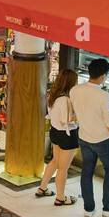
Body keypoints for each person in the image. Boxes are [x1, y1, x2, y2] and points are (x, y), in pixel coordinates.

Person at [70, 57, 109, 217]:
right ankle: (108, 208)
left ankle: (88, 209)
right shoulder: (104, 96)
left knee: (87, 172)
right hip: (103, 140)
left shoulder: (75, 90)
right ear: (104, 76)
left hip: (84, 137)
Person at [36, 68, 80, 206]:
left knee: (55, 161)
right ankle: (60, 198)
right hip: (67, 135)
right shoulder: (66, 100)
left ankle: (42, 188)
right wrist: (80, 115)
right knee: (63, 168)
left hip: (55, 132)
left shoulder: (53, 95)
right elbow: (66, 120)